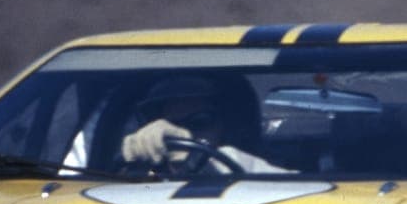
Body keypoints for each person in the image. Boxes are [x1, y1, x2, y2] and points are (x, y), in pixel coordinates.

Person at [120, 75, 291, 174]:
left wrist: (196, 159)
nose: (180, 133)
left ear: (229, 127)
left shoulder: (247, 165)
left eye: (199, 122)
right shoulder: (145, 176)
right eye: (169, 125)